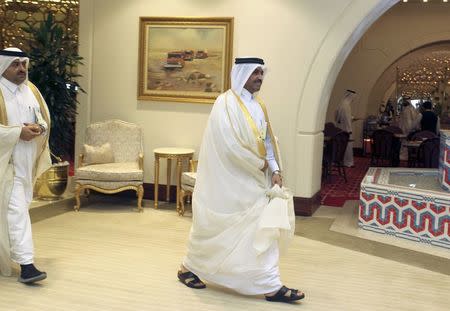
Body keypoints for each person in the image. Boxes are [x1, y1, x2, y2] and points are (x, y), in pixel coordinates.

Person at [177, 57, 304, 303]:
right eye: (255, 72)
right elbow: (229, 146)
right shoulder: (224, 104)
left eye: (261, 72)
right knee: (215, 230)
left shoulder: (259, 106)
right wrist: (261, 164)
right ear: (241, 74)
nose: (260, 77)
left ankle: (269, 284)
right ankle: (188, 267)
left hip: (255, 179)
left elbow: (267, 141)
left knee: (260, 230)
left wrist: (275, 169)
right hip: (228, 182)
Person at [0, 47, 52, 284]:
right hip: (5, 164)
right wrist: (17, 132)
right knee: (16, 212)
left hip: (26, 164)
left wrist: (38, 128)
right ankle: (27, 265)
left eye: (23, 64)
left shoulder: (31, 90)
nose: (21, 69)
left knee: (13, 212)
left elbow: (42, 118)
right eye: (15, 64)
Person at [335, 89, 358, 167]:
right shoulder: (346, 106)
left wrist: (352, 118)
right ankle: (348, 162)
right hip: (346, 130)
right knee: (347, 147)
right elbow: (347, 119)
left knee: (340, 147)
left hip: (339, 129)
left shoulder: (341, 104)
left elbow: (337, 118)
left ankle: (340, 161)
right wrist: (349, 130)